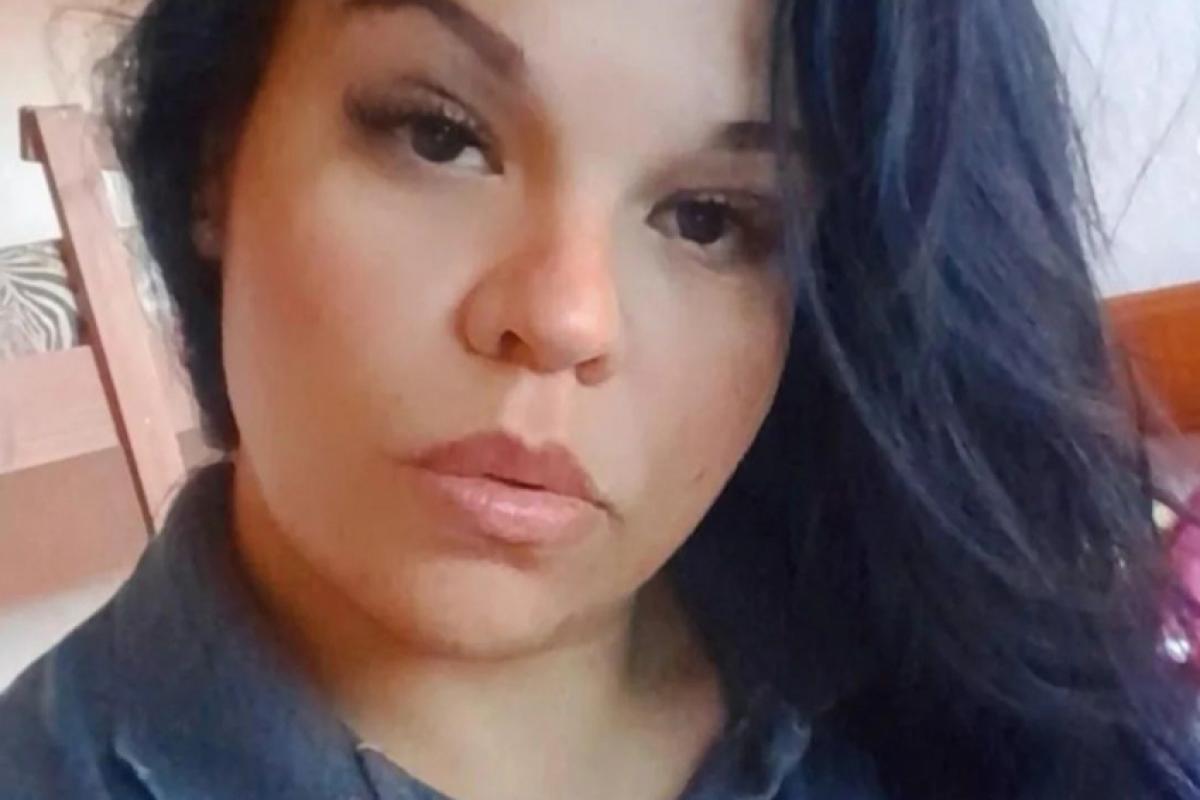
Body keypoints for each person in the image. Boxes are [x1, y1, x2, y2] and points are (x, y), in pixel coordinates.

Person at [2, 0, 1197, 797]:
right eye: (440, 135)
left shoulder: (946, 692)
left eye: (710, 219)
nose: (567, 315)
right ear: (220, 150)